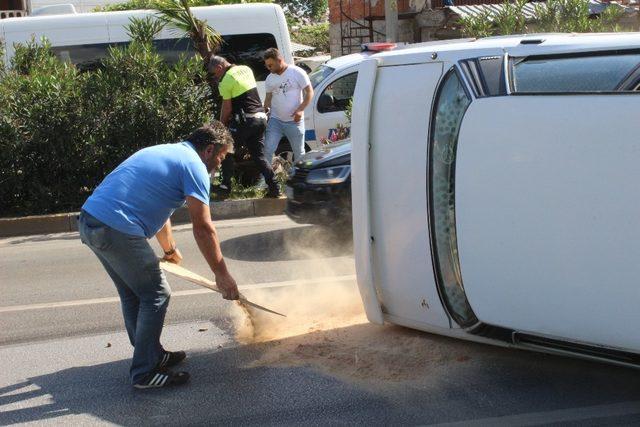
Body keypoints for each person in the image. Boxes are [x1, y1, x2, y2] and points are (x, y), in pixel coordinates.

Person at [79, 122, 240, 389]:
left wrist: (169, 249)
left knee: (134, 293)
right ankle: (144, 372)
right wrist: (222, 275)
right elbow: (203, 228)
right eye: (221, 157)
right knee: (156, 293)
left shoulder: (171, 153)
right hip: (114, 227)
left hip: (91, 221)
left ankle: (150, 352)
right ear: (209, 149)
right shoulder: (195, 166)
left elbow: (161, 208)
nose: (220, 165)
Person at [207, 55, 281, 198]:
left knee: (226, 149)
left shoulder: (226, 80)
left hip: (246, 121)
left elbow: (227, 108)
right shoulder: (245, 69)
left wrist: (221, 127)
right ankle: (275, 187)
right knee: (259, 156)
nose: (216, 77)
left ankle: (225, 187)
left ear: (219, 67)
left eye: (215, 74)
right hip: (260, 119)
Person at [263, 47, 313, 164]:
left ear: (279, 60)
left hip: (294, 121)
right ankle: (266, 179)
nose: (268, 68)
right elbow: (268, 98)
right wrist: (263, 110)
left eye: (270, 65)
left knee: (299, 152)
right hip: (276, 121)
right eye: (267, 65)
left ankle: (299, 179)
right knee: (268, 149)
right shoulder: (269, 79)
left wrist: (300, 110)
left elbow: (310, 92)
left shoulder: (297, 72)